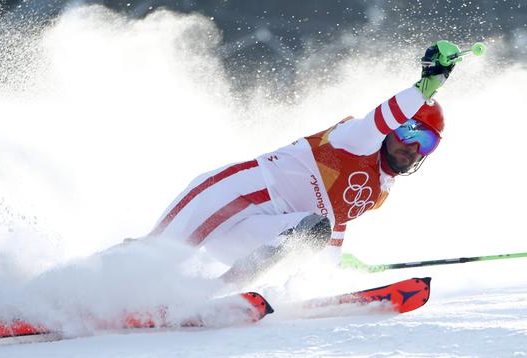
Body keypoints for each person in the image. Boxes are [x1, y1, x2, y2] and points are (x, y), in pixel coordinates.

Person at [149, 42, 455, 285]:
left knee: (312, 231)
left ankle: (209, 294)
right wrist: (427, 86)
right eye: (408, 131)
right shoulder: (359, 139)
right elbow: (384, 115)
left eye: (427, 142)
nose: (413, 147)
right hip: (234, 196)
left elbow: (333, 227)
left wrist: (329, 280)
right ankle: (106, 288)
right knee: (156, 255)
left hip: (257, 231)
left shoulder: (379, 191)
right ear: (393, 127)